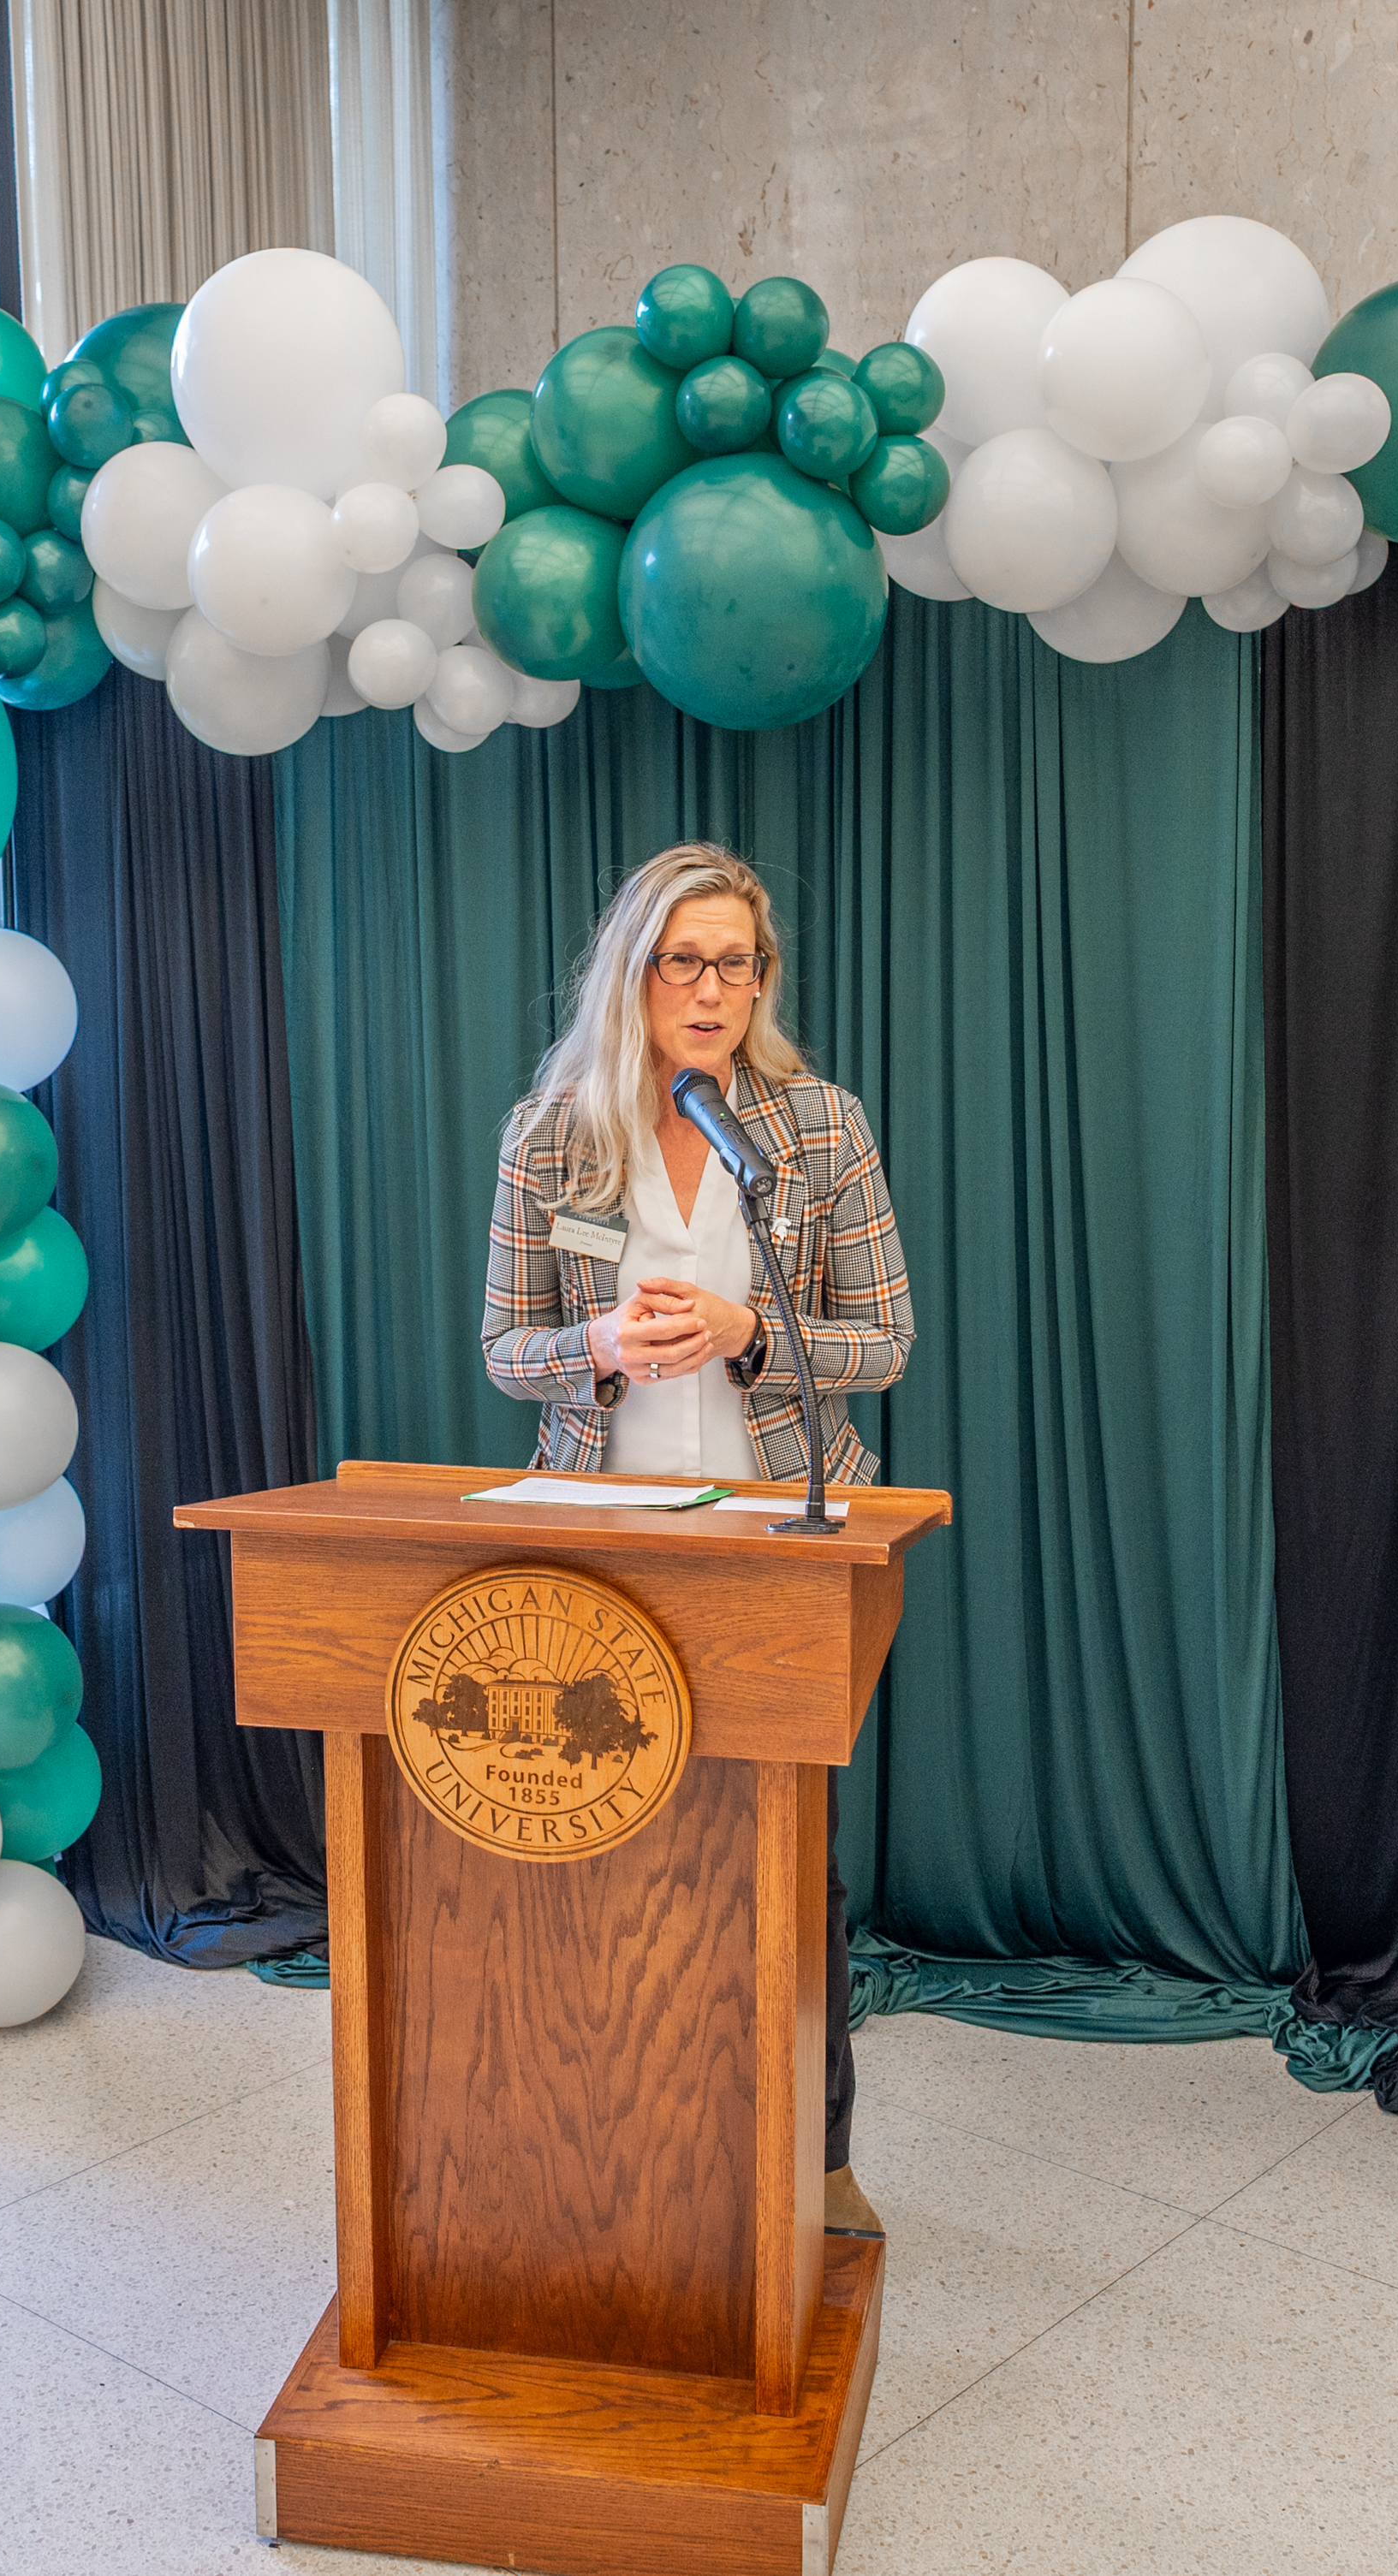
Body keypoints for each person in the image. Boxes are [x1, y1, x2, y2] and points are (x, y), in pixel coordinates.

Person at [481, 843, 913, 2241]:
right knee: (610, 1850)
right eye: (687, 960)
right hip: (598, 1537)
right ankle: (612, 2156)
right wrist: (595, 1346)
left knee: (792, 1863)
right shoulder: (547, 1135)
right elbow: (502, 1350)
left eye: (739, 963)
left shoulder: (819, 1126)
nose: (714, 988)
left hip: (778, 1536)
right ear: (635, 972)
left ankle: (822, 2159)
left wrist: (749, 1336)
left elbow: (886, 1340)